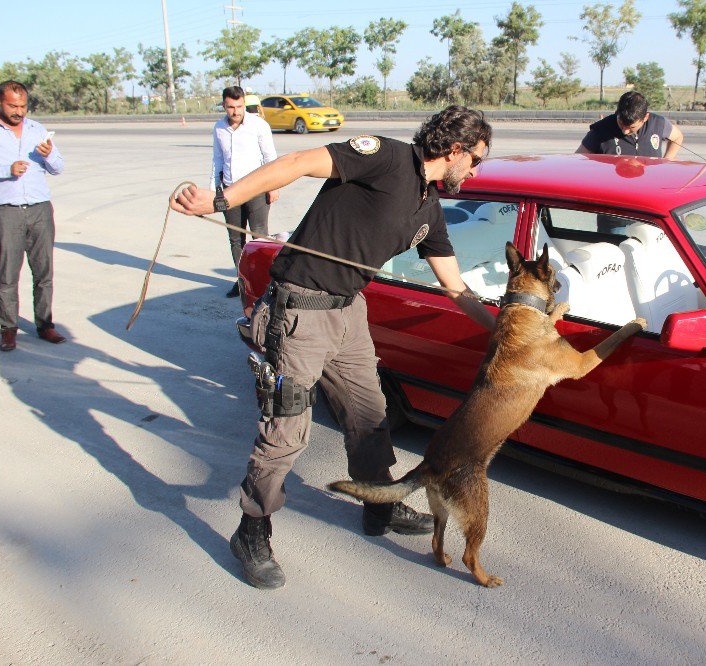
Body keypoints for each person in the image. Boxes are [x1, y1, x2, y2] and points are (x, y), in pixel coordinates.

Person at [172, 105, 496, 589]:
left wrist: (502, 331)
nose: (475, 171)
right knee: (287, 430)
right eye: (475, 159)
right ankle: (252, 530)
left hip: (349, 312)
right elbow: (300, 160)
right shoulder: (388, 157)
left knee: (369, 413)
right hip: (300, 311)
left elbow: (456, 288)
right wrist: (222, 200)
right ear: (453, 149)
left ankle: (378, 506)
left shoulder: (429, 208)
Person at [0, 80, 66, 352]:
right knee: (8, 275)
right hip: (4, 212)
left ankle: (45, 325)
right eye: (13, 105)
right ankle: (9, 330)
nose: (19, 111)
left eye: (23, 106)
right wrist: (5, 170)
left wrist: (49, 156)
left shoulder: (37, 130)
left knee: (44, 271)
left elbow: (58, 168)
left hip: (39, 210)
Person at [212, 86, 278, 298]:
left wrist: (273, 185)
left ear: (244, 104)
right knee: (235, 239)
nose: (236, 111)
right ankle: (242, 282)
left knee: (259, 237)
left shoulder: (258, 125)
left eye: (239, 106)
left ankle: (263, 283)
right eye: (231, 107)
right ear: (224, 105)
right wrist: (215, 190)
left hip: (256, 189)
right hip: (230, 191)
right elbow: (217, 160)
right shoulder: (219, 128)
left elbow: (270, 157)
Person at [576, 90, 684, 160]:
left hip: (648, 189)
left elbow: (677, 137)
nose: (625, 131)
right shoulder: (600, 130)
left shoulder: (658, 124)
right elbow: (578, 159)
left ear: (645, 118)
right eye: (621, 124)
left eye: (631, 127)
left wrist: (666, 161)